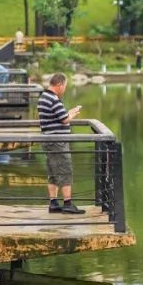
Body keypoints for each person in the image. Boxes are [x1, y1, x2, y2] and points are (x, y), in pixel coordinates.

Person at [37, 71, 85, 215]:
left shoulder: (44, 97)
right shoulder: (53, 99)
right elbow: (64, 119)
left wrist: (68, 113)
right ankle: (68, 204)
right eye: (64, 86)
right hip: (57, 141)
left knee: (53, 171)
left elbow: (60, 116)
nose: (65, 89)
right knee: (65, 170)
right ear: (59, 84)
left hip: (49, 140)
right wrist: (74, 113)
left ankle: (53, 203)